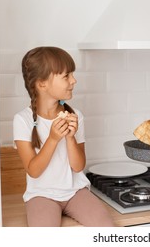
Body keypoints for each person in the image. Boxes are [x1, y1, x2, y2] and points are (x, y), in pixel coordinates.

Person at [13, 46, 114, 227]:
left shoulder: (77, 116)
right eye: (66, 76)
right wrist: (52, 139)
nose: (73, 81)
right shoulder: (22, 120)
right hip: (41, 195)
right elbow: (33, 171)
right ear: (42, 83)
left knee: (106, 227)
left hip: (76, 192)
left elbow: (78, 167)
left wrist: (70, 138)